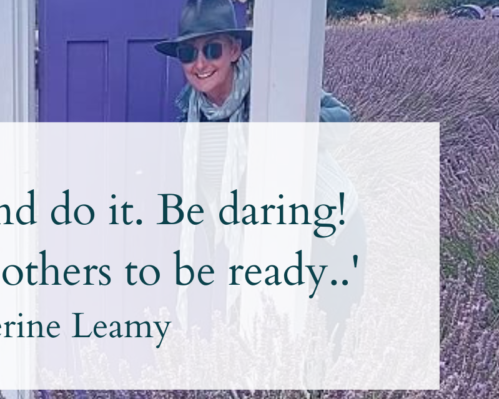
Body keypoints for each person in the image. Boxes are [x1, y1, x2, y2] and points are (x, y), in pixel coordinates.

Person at [155, 0, 365, 349]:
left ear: (234, 49)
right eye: (187, 54)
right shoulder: (190, 112)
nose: (200, 63)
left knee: (322, 339)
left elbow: (341, 123)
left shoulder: (273, 90)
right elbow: (205, 191)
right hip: (258, 238)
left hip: (326, 232)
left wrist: (281, 129)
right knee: (261, 335)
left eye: (211, 49)